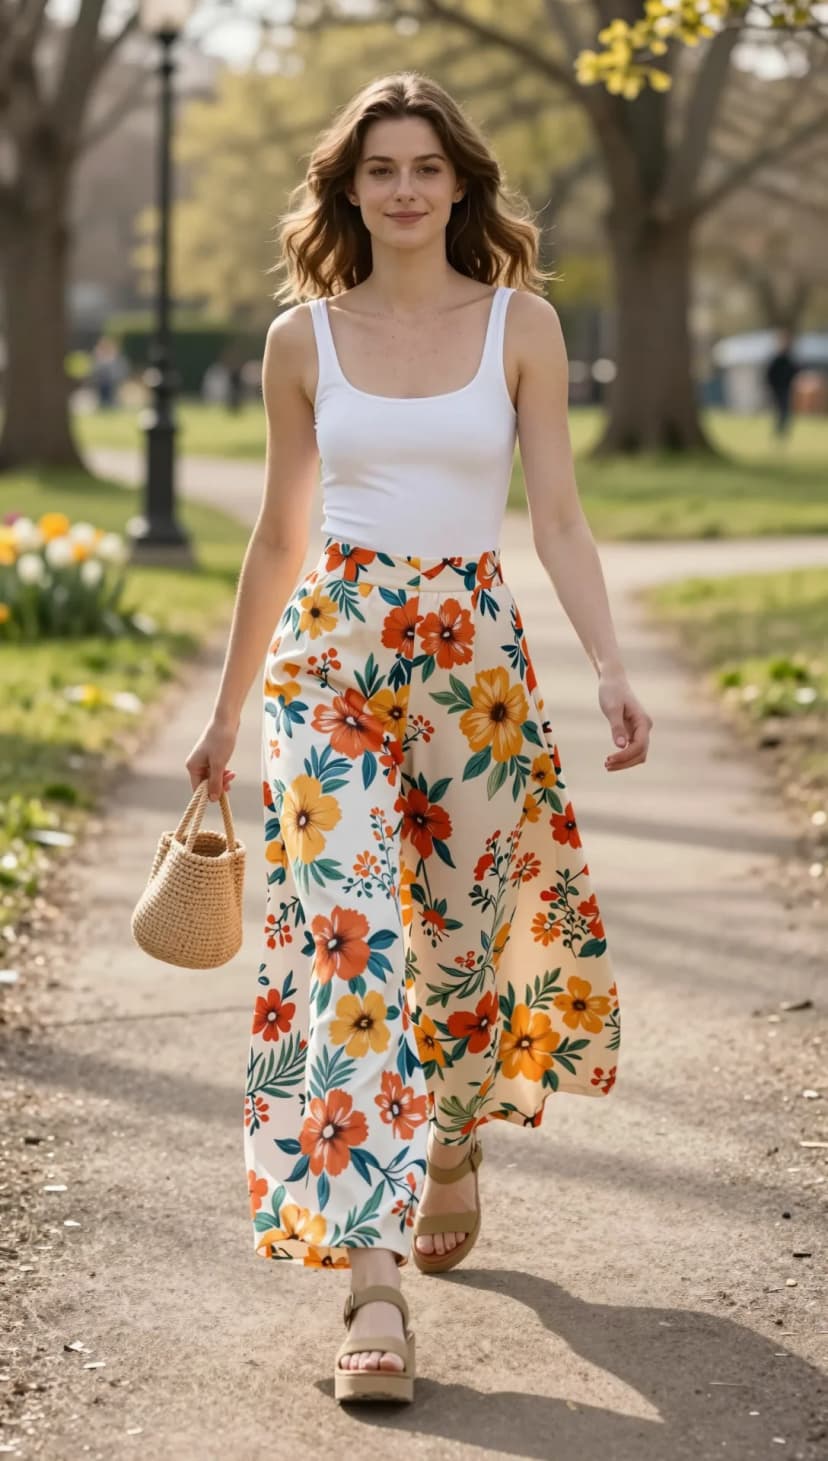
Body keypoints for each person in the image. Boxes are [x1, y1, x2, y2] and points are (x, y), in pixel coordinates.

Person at [184, 71, 652, 1405]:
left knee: (455, 939)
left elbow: (556, 515)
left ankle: (452, 1136)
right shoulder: (301, 339)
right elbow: (279, 534)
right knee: (350, 942)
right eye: (377, 168)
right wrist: (225, 715)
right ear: (349, 189)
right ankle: (372, 1278)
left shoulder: (523, 324)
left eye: (424, 168)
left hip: (473, 665)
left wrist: (612, 668)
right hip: (329, 657)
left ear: (461, 185)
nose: (401, 189)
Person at [765, 328, 800, 437]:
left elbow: (794, 372)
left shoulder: (789, 359)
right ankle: (779, 431)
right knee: (782, 410)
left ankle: (783, 431)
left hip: (787, 388)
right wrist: (772, 386)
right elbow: (770, 374)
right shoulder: (777, 359)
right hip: (778, 389)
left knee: (785, 410)